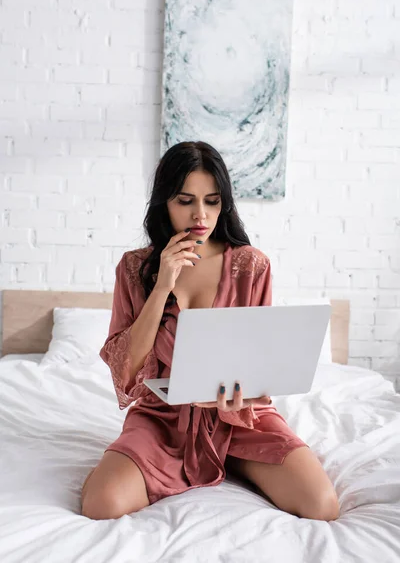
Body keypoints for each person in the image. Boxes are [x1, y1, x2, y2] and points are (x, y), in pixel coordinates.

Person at [80, 141, 339, 522]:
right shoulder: (134, 268)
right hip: (163, 421)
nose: (200, 214)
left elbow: (259, 360)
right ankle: (193, 461)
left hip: (240, 418)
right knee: (102, 504)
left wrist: (246, 395)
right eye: (185, 201)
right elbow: (127, 371)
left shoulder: (252, 266)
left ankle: (237, 460)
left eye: (212, 201)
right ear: (164, 202)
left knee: (322, 505)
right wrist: (163, 282)